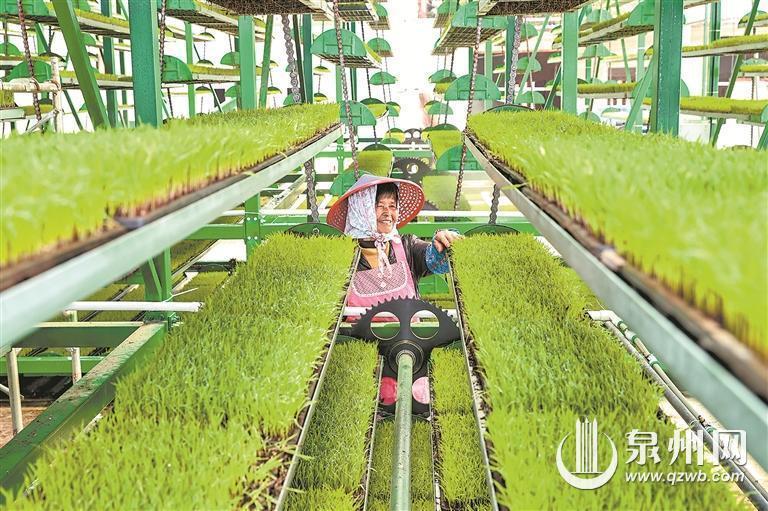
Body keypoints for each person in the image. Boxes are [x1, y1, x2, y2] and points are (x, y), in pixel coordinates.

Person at [327, 174, 463, 309]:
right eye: (380, 206)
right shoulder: (343, 256)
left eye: (392, 206)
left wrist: (443, 241)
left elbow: (433, 257)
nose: (388, 213)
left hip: (407, 325)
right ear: (361, 210)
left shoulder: (407, 246)